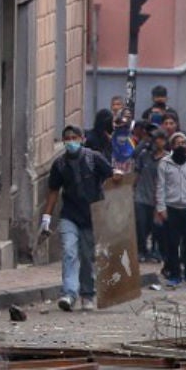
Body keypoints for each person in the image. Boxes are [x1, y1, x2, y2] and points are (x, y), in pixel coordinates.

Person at [40, 125, 122, 312]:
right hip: (69, 215)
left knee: (87, 257)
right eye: (67, 138)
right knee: (69, 252)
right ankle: (69, 294)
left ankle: (87, 294)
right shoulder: (59, 164)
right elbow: (53, 191)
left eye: (74, 137)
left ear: (82, 138)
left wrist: (117, 177)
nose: (70, 141)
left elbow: (112, 176)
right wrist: (46, 217)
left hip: (92, 216)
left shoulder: (94, 159)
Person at [155, 131, 186, 289]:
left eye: (183, 143)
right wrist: (161, 208)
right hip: (172, 209)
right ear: (172, 146)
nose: (180, 146)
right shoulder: (164, 163)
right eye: (177, 143)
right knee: (172, 244)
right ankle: (175, 275)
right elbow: (160, 187)